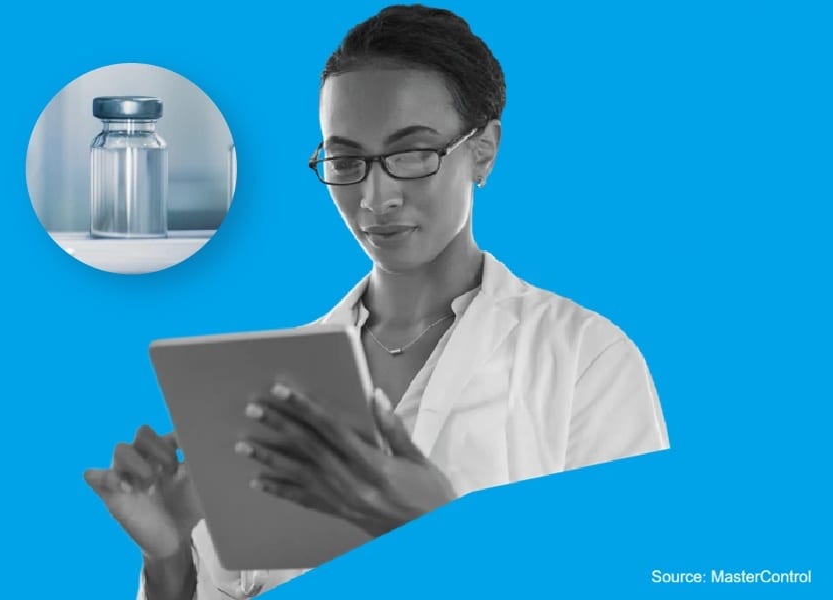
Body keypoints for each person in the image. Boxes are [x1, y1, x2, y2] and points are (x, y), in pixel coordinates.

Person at [84, 4, 669, 599]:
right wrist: (169, 562)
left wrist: (440, 527)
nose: (375, 195)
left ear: (484, 150)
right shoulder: (268, 381)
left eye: (411, 153)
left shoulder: (585, 361)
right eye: (346, 160)